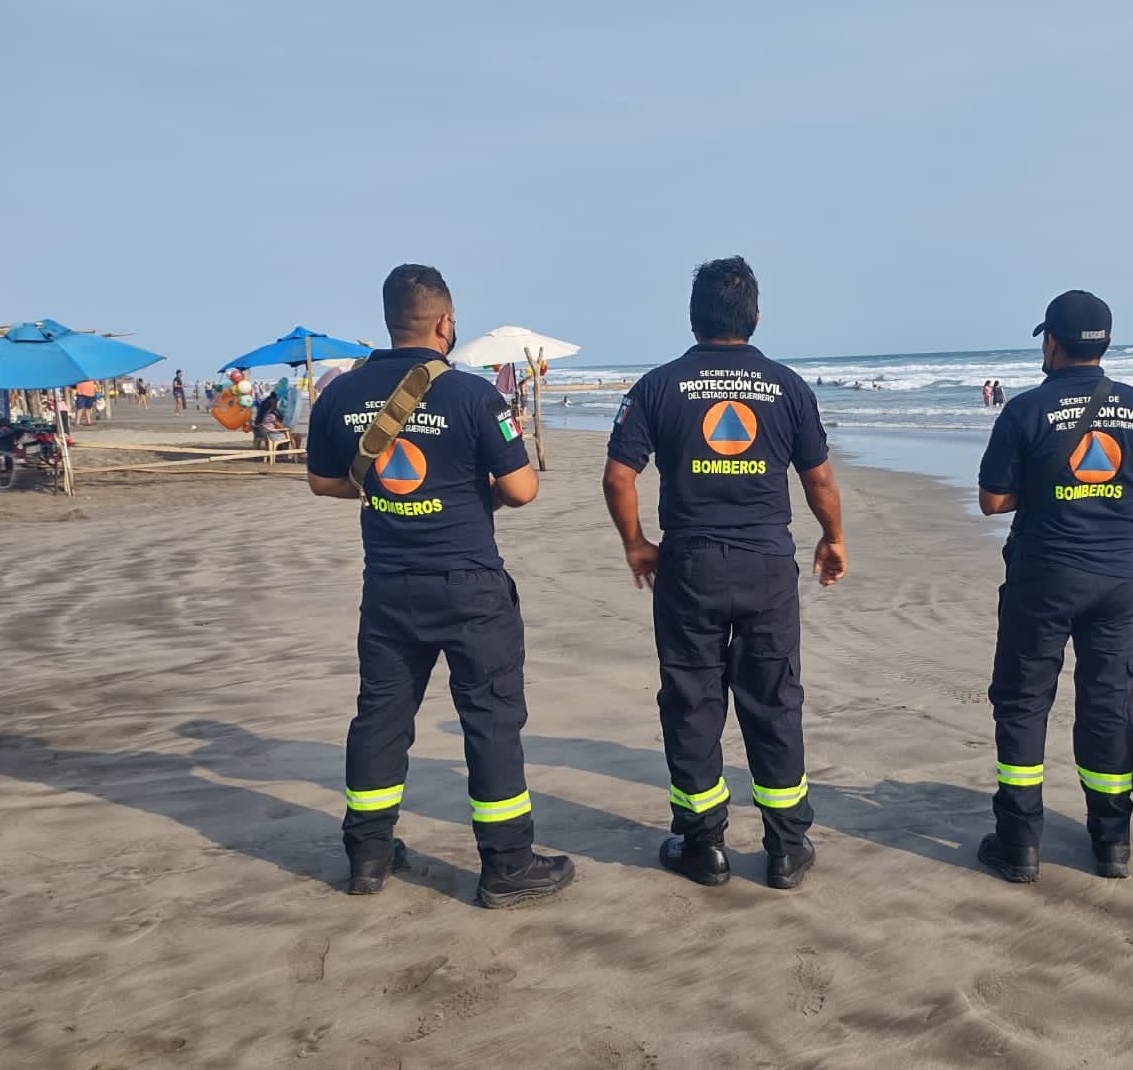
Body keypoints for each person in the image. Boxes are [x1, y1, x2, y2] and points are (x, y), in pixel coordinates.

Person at [305, 263, 574, 907]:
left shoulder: (339, 394)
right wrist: (467, 492)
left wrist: (391, 489)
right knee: (489, 718)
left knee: (381, 717)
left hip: (390, 583)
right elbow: (522, 489)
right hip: (469, 585)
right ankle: (506, 865)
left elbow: (323, 481)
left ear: (390, 321)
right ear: (445, 324)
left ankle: (368, 857)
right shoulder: (474, 396)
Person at [603, 256, 847, 892]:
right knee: (774, 701)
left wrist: (637, 545)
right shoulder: (788, 386)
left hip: (691, 566)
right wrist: (833, 537)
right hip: (767, 566)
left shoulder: (658, 387)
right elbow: (817, 477)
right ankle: (787, 846)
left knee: (692, 701)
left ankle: (703, 845)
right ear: (756, 317)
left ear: (692, 318)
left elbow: (618, 475)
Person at [976, 290, 1133, 883]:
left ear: (1053, 342)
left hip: (1044, 576)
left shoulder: (1025, 411)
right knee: (1107, 703)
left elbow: (992, 502)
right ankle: (1111, 842)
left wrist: (1042, 493)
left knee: (1022, 700)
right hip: (1121, 579)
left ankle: (1018, 844)